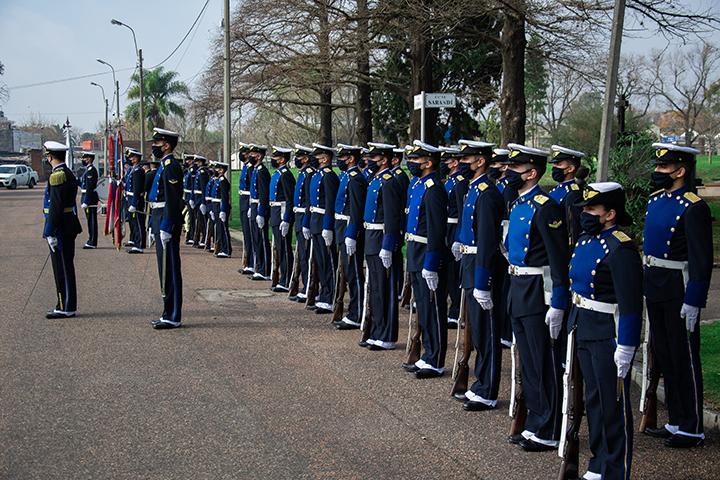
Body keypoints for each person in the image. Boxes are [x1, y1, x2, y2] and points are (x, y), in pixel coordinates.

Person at [568, 182, 642, 480]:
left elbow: (631, 304)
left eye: (591, 209)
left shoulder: (621, 248)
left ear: (610, 213)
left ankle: (615, 468)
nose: (585, 213)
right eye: (584, 208)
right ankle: (599, 461)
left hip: (607, 333)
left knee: (612, 404)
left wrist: (626, 345)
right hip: (585, 326)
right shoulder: (586, 241)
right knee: (594, 401)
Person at [643, 143, 713, 448]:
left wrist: (695, 299)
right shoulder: (656, 200)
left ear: (680, 171)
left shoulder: (694, 207)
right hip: (655, 282)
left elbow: (702, 258)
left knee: (684, 356)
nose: (657, 172)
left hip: (677, 286)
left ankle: (692, 425)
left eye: (663, 167)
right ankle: (675, 419)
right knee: (665, 354)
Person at [504, 143, 569, 451]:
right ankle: (534, 421)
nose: (508, 172)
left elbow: (558, 260)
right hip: (518, 289)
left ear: (531, 173)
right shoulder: (517, 204)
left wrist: (558, 303)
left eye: (514, 169)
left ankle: (548, 427)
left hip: (537, 293)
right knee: (528, 360)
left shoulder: (546, 207)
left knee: (543, 361)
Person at [451, 140, 505, 408]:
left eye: (468, 158)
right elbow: (468, 226)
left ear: (481, 160)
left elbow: (487, 241)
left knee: (487, 332)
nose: (463, 162)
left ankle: (488, 389)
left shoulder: (487, 193)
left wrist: (483, 281)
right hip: (470, 263)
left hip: (482, 267)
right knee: (477, 329)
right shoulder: (473, 189)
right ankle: (480, 382)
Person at [401, 140, 449, 378]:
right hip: (414, 249)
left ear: (428, 163)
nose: (411, 164)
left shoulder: (434, 188)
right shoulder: (418, 185)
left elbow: (436, 230)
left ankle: (436, 358)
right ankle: (428, 353)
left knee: (433, 307)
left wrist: (432, 262)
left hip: (426, 252)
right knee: (422, 306)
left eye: (415, 160)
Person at [362, 142, 403, 350]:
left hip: (380, 239)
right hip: (371, 237)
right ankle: (377, 330)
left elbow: (392, 217)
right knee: (376, 288)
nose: (369, 161)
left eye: (374, 158)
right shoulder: (375, 180)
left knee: (384, 288)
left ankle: (386, 335)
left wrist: (388, 245)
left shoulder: (388, 182)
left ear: (384, 160)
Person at [146, 128, 184, 329]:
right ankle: (167, 311)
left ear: (167, 145)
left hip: (165, 218)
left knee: (170, 268)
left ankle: (174, 314)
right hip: (158, 216)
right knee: (164, 269)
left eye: (157, 143)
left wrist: (167, 226)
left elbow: (172, 199)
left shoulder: (171, 166)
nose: (154, 147)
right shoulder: (164, 165)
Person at [43, 141, 82, 319]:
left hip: (60, 227)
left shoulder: (57, 176)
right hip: (67, 225)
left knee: (62, 268)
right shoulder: (67, 173)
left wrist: (49, 231)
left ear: (50, 156)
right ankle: (68, 304)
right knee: (66, 266)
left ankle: (64, 305)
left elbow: (55, 207)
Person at [334, 144, 368, 330]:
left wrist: (352, 233)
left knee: (354, 273)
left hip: (349, 227)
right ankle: (353, 310)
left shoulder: (355, 179)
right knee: (348, 272)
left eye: (343, 157)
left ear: (351, 159)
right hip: (342, 226)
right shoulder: (347, 177)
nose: (339, 161)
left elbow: (355, 209)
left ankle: (357, 313)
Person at [306, 143, 340, 314]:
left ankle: (330, 297)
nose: (315, 159)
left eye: (317, 157)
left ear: (325, 158)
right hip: (315, 221)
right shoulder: (318, 175)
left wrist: (328, 226)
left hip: (323, 222)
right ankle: (324, 292)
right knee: (320, 260)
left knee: (328, 261)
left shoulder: (328, 176)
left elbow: (330, 203)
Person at [441, 146, 467, 328]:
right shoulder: (449, 181)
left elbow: (462, 212)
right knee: (449, 273)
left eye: (447, 162)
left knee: (455, 272)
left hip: (454, 228)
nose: (443, 165)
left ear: (455, 163)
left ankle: (458, 309)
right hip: (447, 227)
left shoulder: (459, 182)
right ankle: (454, 307)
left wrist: (458, 237)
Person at [290, 145, 317, 303]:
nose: (297, 160)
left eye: (299, 157)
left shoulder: (308, 174)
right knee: (302, 253)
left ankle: (309, 287)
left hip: (305, 216)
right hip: (299, 215)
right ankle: (305, 285)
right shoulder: (303, 173)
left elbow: (308, 200)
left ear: (306, 158)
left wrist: (306, 221)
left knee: (307, 255)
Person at [548, 145, 587, 248]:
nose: (554, 168)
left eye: (559, 164)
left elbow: (573, 229)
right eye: (554, 164)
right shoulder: (556, 190)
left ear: (570, 169)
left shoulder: (573, 194)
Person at [268, 146, 296, 290]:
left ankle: (287, 279)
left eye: (275, 157)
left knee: (284, 248)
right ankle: (282, 277)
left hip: (281, 214)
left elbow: (289, 199)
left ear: (282, 159)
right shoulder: (277, 174)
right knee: (279, 247)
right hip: (275, 213)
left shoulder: (285, 175)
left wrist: (286, 219)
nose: (273, 160)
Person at [249, 145, 272, 280]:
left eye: (252, 154)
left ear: (258, 156)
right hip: (254, 206)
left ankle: (265, 269)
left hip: (259, 207)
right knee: (256, 240)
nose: (250, 156)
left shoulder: (262, 171)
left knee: (262, 240)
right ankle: (259, 267)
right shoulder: (256, 170)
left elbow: (263, 194)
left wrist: (261, 212)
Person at [237, 143, 255, 274]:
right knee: (246, 234)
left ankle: (252, 263)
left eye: (244, 153)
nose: (242, 155)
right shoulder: (245, 167)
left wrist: (249, 205)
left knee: (250, 235)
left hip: (248, 201)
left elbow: (252, 189)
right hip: (243, 201)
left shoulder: (250, 168)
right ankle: (247, 262)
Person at [125, 148, 146, 253]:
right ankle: (136, 241)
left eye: (132, 157)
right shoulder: (133, 169)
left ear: (137, 158)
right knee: (133, 222)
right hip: (130, 197)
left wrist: (134, 203)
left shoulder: (138, 171)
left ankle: (140, 244)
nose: (130, 159)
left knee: (138, 222)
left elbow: (137, 189)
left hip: (135, 199)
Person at [79, 151, 99, 249]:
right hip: (87, 198)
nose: (83, 160)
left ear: (89, 159)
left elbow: (90, 188)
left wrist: (86, 201)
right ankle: (91, 240)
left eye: (85, 158)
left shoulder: (91, 170)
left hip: (90, 199)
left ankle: (93, 242)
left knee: (92, 221)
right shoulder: (87, 170)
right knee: (89, 221)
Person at [213, 161, 232, 258]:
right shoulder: (218, 180)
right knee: (220, 228)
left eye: (217, 169)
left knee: (224, 229)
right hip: (216, 206)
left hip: (221, 206)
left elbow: (224, 197)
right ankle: (222, 248)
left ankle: (227, 249)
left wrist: (223, 210)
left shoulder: (223, 181)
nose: (215, 170)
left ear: (221, 170)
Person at [191, 155, 210, 247]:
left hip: (200, 199)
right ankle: (200, 239)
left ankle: (204, 239)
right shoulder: (199, 172)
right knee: (198, 220)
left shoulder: (202, 173)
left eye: (198, 162)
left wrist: (203, 202)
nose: (196, 163)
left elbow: (203, 188)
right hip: (197, 198)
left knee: (202, 221)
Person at [144, 158, 160, 247]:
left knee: (149, 215)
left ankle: (150, 228)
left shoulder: (149, 174)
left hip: (150, 197)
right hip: (158, 198)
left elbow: (145, 186)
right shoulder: (158, 174)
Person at [182, 154, 196, 243]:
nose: (186, 162)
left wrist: (191, 198)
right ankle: (190, 234)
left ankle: (192, 235)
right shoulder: (188, 171)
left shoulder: (193, 170)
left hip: (191, 196)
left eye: (188, 160)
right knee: (188, 216)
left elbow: (193, 186)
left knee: (191, 217)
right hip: (186, 195)